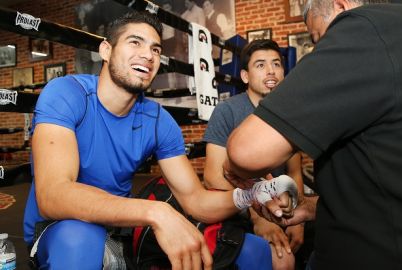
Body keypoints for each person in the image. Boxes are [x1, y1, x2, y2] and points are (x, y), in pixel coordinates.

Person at [23, 11, 293, 269]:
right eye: (135, 42)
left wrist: (251, 194)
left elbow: (196, 201)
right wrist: (157, 213)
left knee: (253, 250)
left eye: (155, 49)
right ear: (106, 51)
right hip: (58, 229)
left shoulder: (158, 120)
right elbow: (53, 194)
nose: (147, 55)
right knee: (78, 241)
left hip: (120, 229)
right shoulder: (67, 94)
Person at [224, 0, 402, 269]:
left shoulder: (364, 28)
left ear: (341, 7)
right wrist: (315, 207)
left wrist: (231, 165)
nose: (320, 49)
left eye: (318, 38)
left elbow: (247, 151)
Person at [203, 39, 305, 270]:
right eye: (260, 65)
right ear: (246, 76)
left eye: (276, 64)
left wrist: (299, 217)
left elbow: (294, 171)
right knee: (283, 260)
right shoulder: (227, 111)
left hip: (279, 207)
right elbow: (212, 177)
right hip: (238, 210)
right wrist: (256, 215)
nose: (271, 71)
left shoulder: (289, 113)